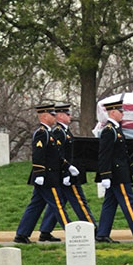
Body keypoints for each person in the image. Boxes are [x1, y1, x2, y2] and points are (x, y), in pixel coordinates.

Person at [95, 99, 133, 243]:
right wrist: (105, 175)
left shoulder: (116, 129)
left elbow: (122, 155)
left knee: (110, 204)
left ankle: (102, 234)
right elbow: (104, 155)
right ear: (113, 112)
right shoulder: (109, 131)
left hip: (121, 172)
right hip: (117, 174)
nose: (123, 114)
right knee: (128, 203)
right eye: (120, 111)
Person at [14, 103, 71, 244]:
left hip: (49, 176)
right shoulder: (41, 132)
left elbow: (54, 156)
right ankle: (73, 232)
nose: (55, 117)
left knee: (36, 206)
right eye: (52, 114)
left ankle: (22, 234)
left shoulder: (49, 132)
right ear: (44, 116)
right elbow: (38, 154)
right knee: (58, 205)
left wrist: (67, 166)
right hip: (46, 177)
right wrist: (39, 173)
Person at [38, 103, 93, 240]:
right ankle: (92, 228)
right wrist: (66, 173)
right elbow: (58, 156)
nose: (70, 116)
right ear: (61, 116)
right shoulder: (58, 132)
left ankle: (45, 231)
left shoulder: (64, 132)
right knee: (78, 201)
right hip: (64, 174)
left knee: (57, 203)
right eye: (67, 114)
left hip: (64, 173)